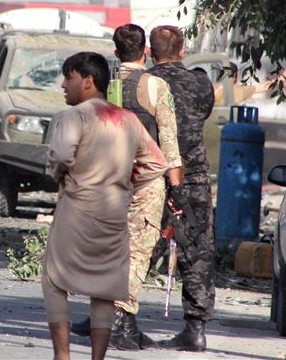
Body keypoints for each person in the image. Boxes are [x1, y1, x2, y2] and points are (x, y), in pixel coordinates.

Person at [43, 52, 167, 360]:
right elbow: (156, 163)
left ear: (88, 81)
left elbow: (61, 156)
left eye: (68, 78)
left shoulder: (74, 116)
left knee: (54, 280)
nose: (63, 85)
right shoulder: (129, 119)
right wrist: (125, 183)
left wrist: (60, 175)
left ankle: (62, 355)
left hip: (76, 209)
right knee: (106, 290)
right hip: (114, 214)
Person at [70, 24, 184, 350]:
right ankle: (120, 318)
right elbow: (169, 142)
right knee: (137, 251)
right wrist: (175, 188)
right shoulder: (155, 86)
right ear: (145, 51)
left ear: (116, 52)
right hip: (145, 181)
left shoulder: (100, 85)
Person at [148, 25, 216, 352]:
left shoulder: (145, 84)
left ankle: (115, 316)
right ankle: (195, 328)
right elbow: (203, 112)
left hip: (155, 175)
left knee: (137, 246)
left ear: (150, 52)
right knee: (197, 251)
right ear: (182, 51)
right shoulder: (200, 83)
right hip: (194, 177)